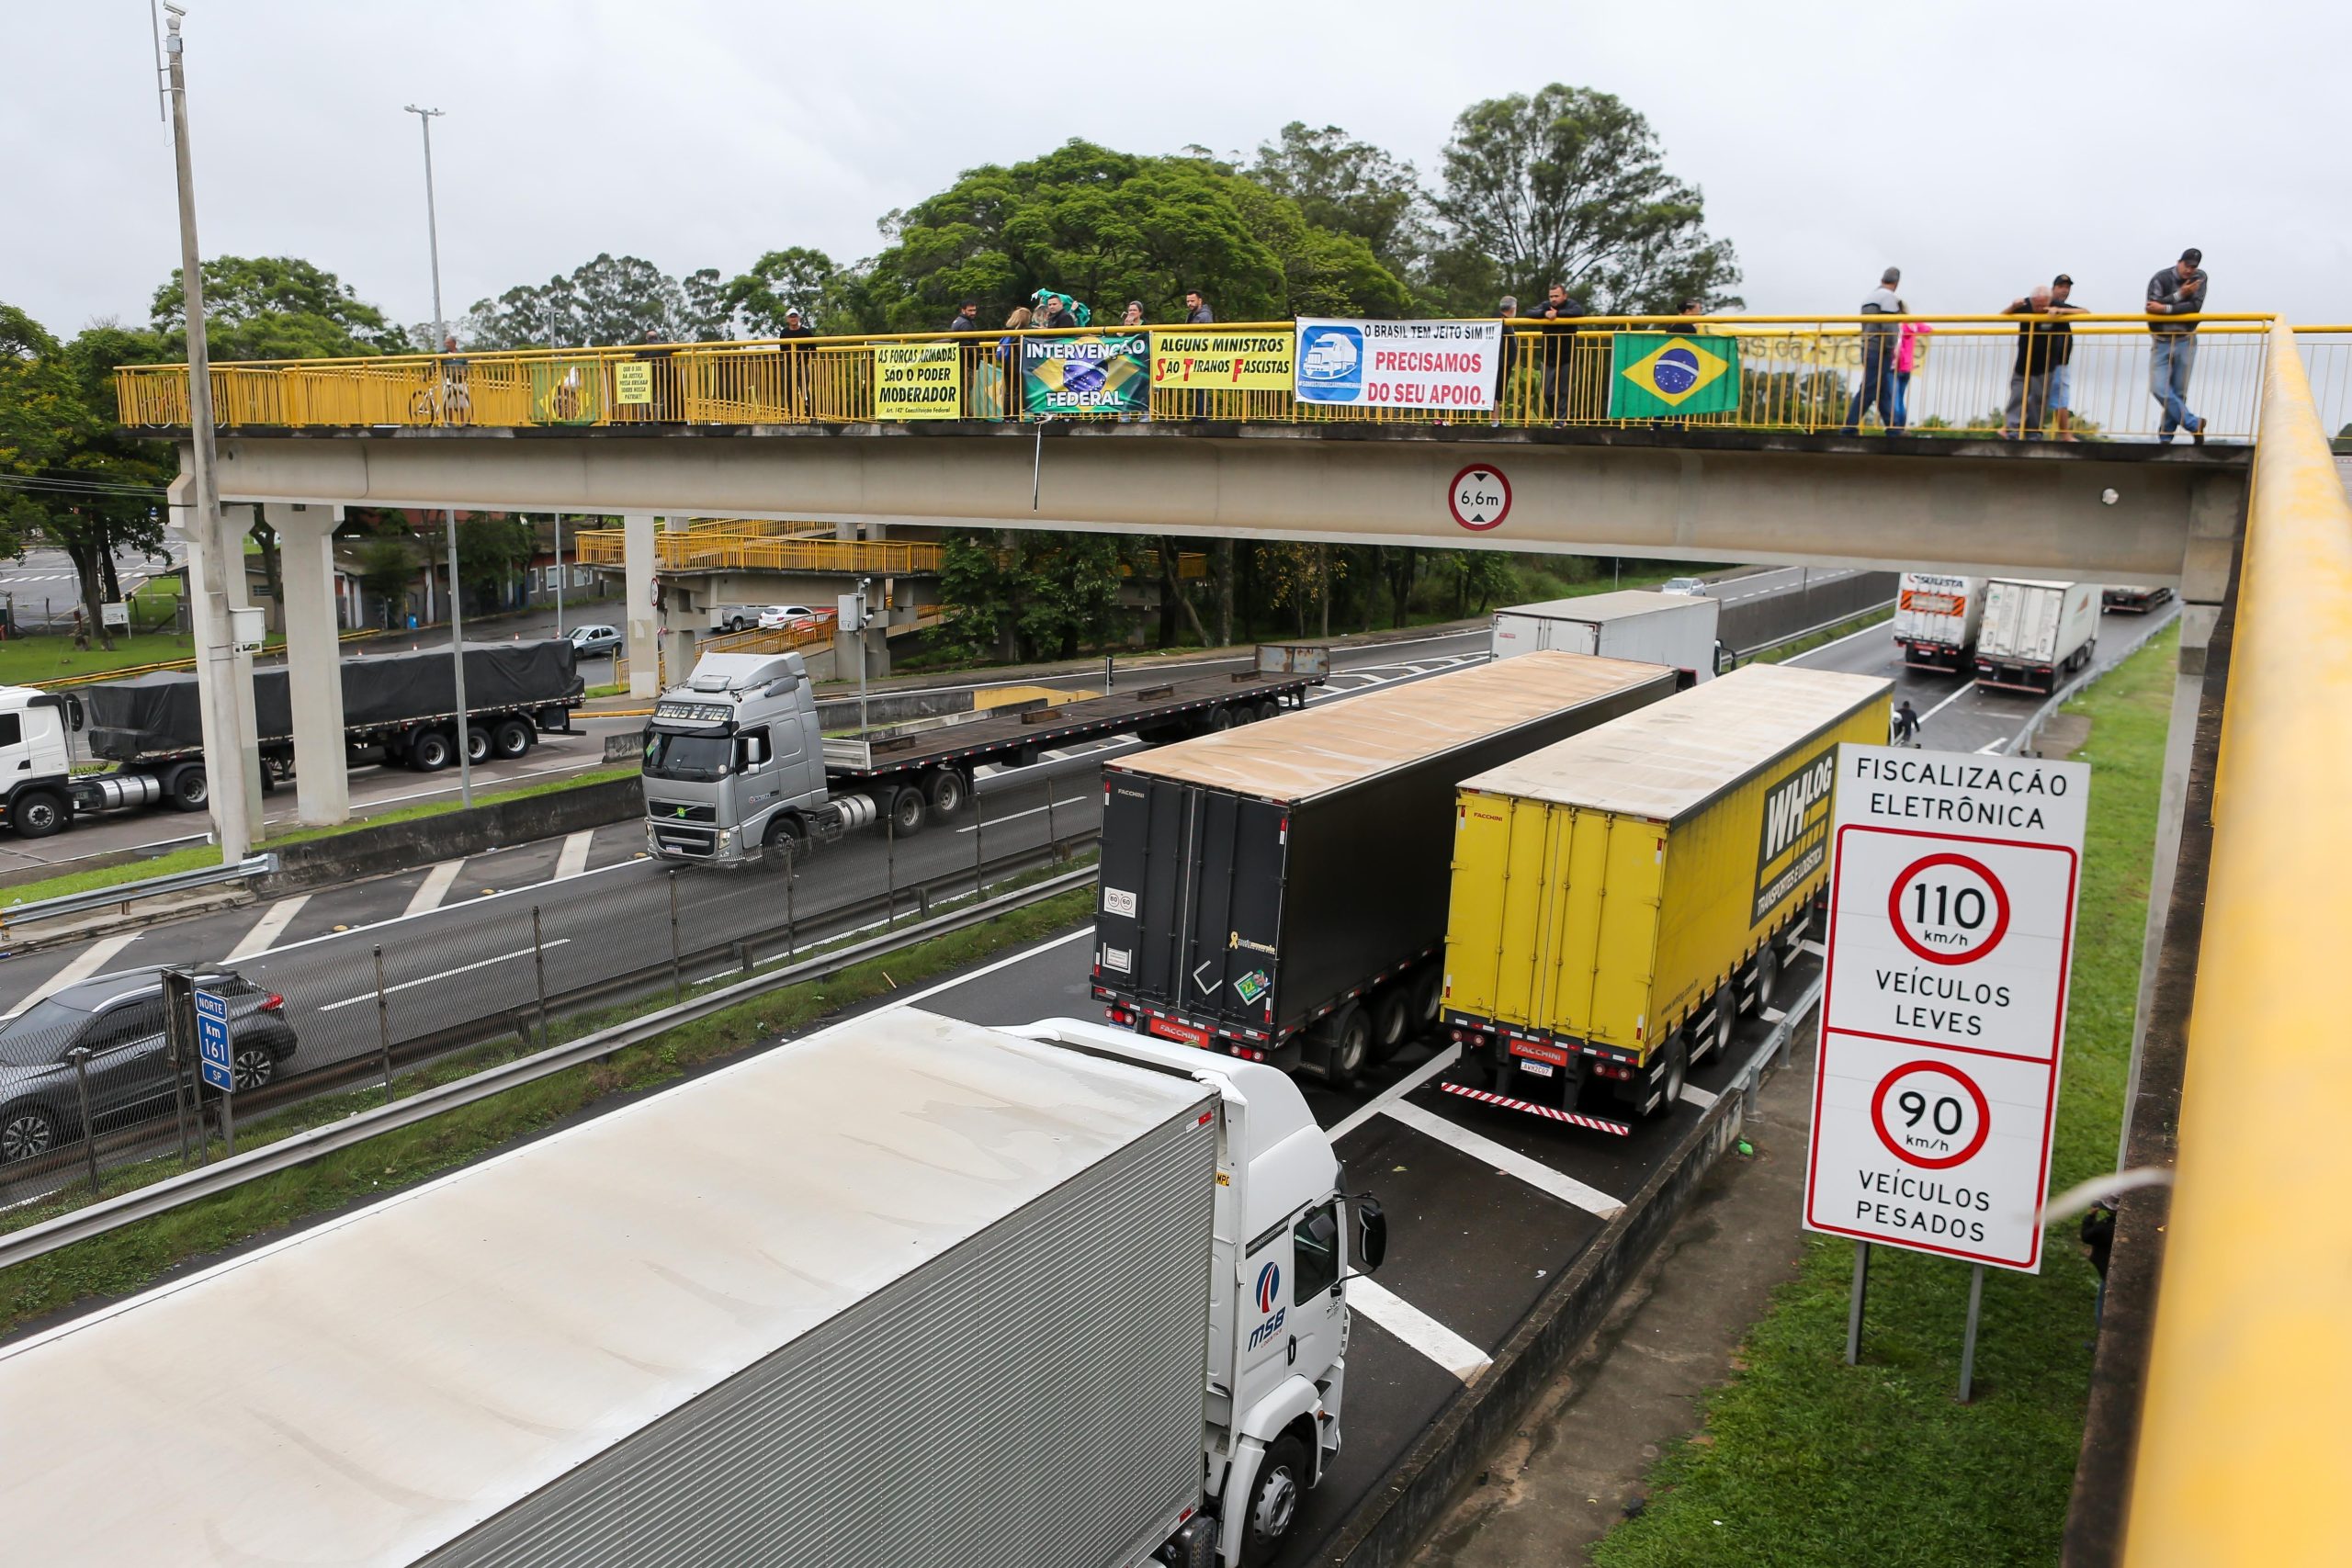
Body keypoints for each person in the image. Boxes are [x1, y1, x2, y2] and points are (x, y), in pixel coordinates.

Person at [2146, 248, 2209, 445]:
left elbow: (2194, 307)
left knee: (2179, 391)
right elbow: (2151, 307)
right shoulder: (2161, 278)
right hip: (2162, 340)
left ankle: (2166, 438)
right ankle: (2193, 424)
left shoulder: (2200, 277)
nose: (2190, 270)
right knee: (2158, 388)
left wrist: (2165, 307)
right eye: (2187, 265)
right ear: (2178, 262)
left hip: (2186, 339)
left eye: (2193, 267)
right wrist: (2180, 294)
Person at [1840, 267, 1902, 434]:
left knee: (1882, 391)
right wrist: (1891, 348)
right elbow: (1889, 326)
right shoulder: (1889, 299)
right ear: (1896, 283)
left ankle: (1894, 428)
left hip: (1867, 346)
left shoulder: (1869, 297)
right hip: (1879, 349)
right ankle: (1849, 427)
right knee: (1869, 389)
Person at [2002, 285, 2062, 438]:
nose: (2039, 308)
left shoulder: (2057, 304)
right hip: (2023, 362)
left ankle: (2034, 432)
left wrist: (2061, 311)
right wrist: (2013, 306)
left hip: (2044, 365)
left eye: (2043, 305)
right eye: (2037, 305)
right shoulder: (2025, 305)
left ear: (2049, 300)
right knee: (2017, 396)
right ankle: (2012, 430)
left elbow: (2084, 311)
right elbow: (2002, 315)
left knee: (2038, 399)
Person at [1531, 283, 1585, 423]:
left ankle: (1561, 420)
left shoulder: (1571, 305)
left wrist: (1558, 314)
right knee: (1547, 391)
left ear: (1564, 296)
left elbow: (1579, 312)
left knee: (1563, 391)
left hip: (1567, 356)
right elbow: (1529, 312)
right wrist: (1545, 314)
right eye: (1551, 296)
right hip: (1549, 356)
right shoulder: (1545, 305)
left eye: (1556, 296)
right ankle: (1555, 415)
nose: (1553, 299)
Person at [1894, 308, 1934, 430]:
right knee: (1900, 397)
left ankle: (1896, 425)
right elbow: (1928, 329)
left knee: (1894, 397)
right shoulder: (1912, 324)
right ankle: (1900, 425)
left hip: (1896, 365)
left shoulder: (1895, 326)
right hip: (1907, 366)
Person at [779, 307, 817, 419]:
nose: (793, 319)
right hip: (789, 366)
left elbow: (813, 348)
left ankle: (810, 415)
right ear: (787, 319)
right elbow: (782, 350)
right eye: (791, 317)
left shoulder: (806, 332)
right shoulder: (784, 333)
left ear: (799, 318)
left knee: (804, 390)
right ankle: (793, 415)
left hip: (802, 365)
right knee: (790, 391)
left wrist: (807, 359)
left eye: (795, 316)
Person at [1492, 295, 1521, 422]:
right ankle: (1494, 422)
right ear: (1513, 308)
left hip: (1502, 363)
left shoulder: (1501, 320)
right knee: (1495, 394)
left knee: (1497, 395)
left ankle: (1495, 421)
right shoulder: (1500, 321)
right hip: (1499, 363)